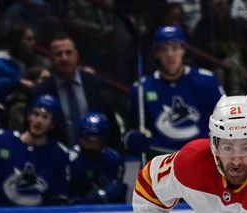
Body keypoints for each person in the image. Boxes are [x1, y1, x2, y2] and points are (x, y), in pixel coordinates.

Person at [126, 25, 224, 158]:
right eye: (164, 49)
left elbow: (224, 120)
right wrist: (134, 138)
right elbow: (132, 129)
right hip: (161, 159)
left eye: (175, 48)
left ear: (183, 50)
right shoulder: (142, 88)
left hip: (201, 157)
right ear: (156, 53)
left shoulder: (207, 82)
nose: (170, 54)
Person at [31, 32, 119, 149]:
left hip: (94, 159)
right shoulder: (40, 93)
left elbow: (112, 128)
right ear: (51, 58)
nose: (64, 58)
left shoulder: (96, 85)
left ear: (76, 55)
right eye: (58, 54)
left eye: (68, 52)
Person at [0, 94, 70, 206]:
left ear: (52, 124)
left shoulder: (58, 154)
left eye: (45, 117)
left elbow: (58, 198)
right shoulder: (1, 140)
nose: (38, 121)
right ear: (28, 116)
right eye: (36, 114)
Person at [69, 112, 126, 203]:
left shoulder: (113, 159)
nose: (92, 146)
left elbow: (121, 193)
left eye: (96, 141)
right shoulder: (71, 161)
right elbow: (70, 201)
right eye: (88, 141)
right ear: (80, 138)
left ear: (104, 140)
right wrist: (97, 197)